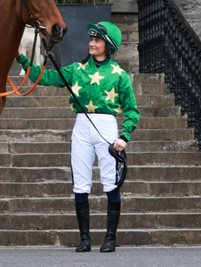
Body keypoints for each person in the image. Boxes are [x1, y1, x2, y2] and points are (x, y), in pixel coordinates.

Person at [16, 21, 140, 253]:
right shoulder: (77, 69)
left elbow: (132, 110)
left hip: (107, 128)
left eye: (97, 40)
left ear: (108, 45)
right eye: (91, 39)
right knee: (81, 184)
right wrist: (23, 60)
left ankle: (110, 238)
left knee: (111, 183)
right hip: (82, 127)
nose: (92, 44)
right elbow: (46, 78)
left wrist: (125, 136)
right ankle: (85, 239)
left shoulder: (120, 75)